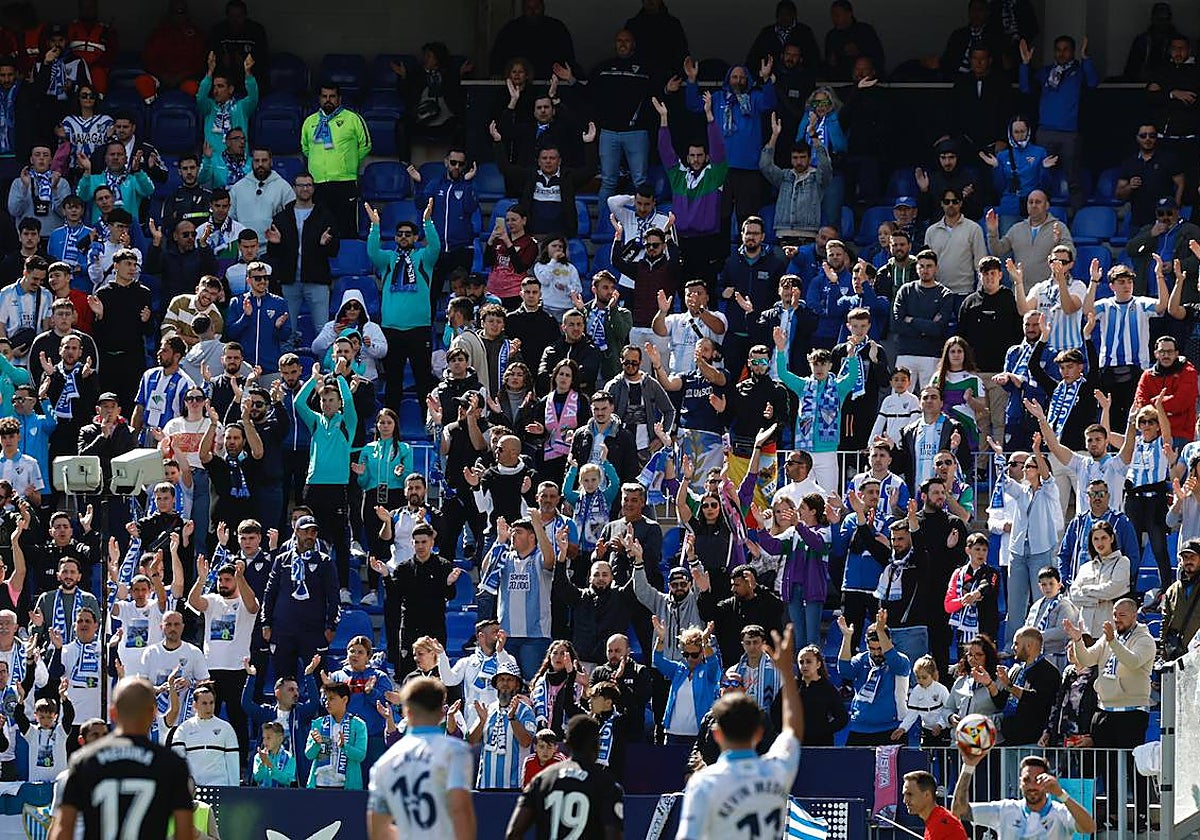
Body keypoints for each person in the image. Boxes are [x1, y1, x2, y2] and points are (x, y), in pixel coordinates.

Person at [676, 624, 801, 838]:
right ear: (758, 733)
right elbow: (793, 730)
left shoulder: (704, 783)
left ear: (718, 735)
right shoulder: (777, 771)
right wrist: (788, 675)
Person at [49, 677, 193, 840]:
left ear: (113, 713)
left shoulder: (84, 760)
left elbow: (63, 829)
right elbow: (185, 833)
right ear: (154, 712)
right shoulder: (172, 764)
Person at [367, 677, 475, 840]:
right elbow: (460, 810)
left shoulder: (383, 763)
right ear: (441, 712)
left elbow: (378, 831)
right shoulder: (455, 752)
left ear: (406, 712)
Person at [506, 713, 623, 840]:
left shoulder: (542, 780)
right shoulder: (607, 785)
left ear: (566, 744)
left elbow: (513, 833)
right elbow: (613, 836)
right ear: (597, 746)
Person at [261, 515, 340, 680]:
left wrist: (330, 627)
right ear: (296, 531)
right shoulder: (281, 560)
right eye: (306, 531)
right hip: (284, 630)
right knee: (283, 682)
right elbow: (270, 593)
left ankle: (318, 707)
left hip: (314, 631)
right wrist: (266, 623)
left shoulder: (324, 562)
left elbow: (334, 597)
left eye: (313, 532)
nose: (310, 535)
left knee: (319, 682)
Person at [300, 81, 371, 238]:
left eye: (332, 96)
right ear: (319, 99)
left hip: (345, 182)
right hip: (318, 183)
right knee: (320, 230)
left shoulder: (353, 118)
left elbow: (366, 145)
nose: (328, 100)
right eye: (324, 96)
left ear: (339, 98)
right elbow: (306, 148)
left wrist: (347, 163)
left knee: (347, 228)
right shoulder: (309, 122)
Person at [837, 609, 911, 745]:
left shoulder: (901, 661)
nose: (876, 653)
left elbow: (894, 662)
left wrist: (881, 631)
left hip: (891, 728)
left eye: (880, 648)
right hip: (859, 728)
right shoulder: (861, 660)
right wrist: (847, 638)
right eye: (872, 649)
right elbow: (845, 671)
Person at [167, 683, 240, 786]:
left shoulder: (226, 728)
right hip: (192, 790)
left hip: (220, 787)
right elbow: (178, 763)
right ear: (195, 705)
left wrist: (234, 789)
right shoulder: (183, 729)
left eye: (211, 703)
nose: (209, 707)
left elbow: (233, 763)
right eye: (204, 703)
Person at [305, 681, 368, 790]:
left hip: (346, 787)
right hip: (319, 785)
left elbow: (361, 755)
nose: (327, 702)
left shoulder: (358, 725)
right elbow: (309, 755)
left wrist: (344, 746)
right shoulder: (318, 723)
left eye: (331, 698)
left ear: (344, 700)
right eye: (325, 698)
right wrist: (316, 744)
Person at [902, 769, 968, 840]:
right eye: (904, 795)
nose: (905, 800)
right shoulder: (935, 820)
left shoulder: (941, 824)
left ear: (927, 795)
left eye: (910, 794)